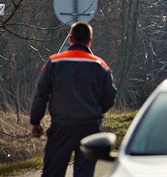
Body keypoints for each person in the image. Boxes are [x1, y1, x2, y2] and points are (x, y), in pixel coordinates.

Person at [30, 22, 117, 177]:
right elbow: (110, 96)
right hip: (90, 127)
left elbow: (41, 94)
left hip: (62, 126)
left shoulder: (54, 62)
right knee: (84, 173)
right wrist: (96, 112)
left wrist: (35, 121)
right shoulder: (100, 65)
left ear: (70, 39)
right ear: (89, 40)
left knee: (53, 171)